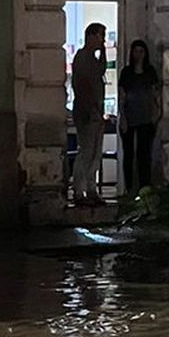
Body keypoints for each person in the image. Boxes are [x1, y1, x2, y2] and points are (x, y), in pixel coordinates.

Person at [70, 21, 107, 206]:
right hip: (87, 111)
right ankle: (79, 190)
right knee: (86, 151)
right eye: (100, 36)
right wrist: (91, 108)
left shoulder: (92, 58)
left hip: (96, 111)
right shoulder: (83, 57)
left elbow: (101, 70)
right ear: (91, 36)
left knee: (95, 153)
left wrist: (104, 52)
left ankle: (91, 189)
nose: (102, 40)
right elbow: (82, 85)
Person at [118, 40, 160, 192]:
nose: (138, 54)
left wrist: (156, 113)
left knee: (145, 155)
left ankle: (145, 188)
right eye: (136, 51)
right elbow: (122, 97)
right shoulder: (126, 73)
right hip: (129, 118)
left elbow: (156, 95)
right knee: (128, 155)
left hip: (146, 118)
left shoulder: (150, 72)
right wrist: (122, 117)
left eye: (141, 51)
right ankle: (129, 188)